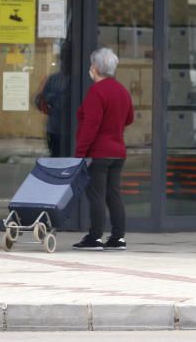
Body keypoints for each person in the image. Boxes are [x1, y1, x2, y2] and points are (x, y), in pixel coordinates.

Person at [73, 47, 133, 251]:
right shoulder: (122, 90)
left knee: (96, 196)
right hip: (118, 151)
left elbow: (91, 125)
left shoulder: (97, 92)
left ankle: (95, 237)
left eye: (92, 65)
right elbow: (130, 118)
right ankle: (118, 238)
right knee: (113, 195)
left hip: (97, 153)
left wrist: (80, 153)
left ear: (95, 68)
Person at [35, 44, 71, 157]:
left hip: (71, 131)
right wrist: (44, 101)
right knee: (56, 160)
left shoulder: (79, 78)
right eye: (63, 57)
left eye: (67, 58)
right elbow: (40, 100)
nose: (64, 61)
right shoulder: (54, 79)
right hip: (54, 130)